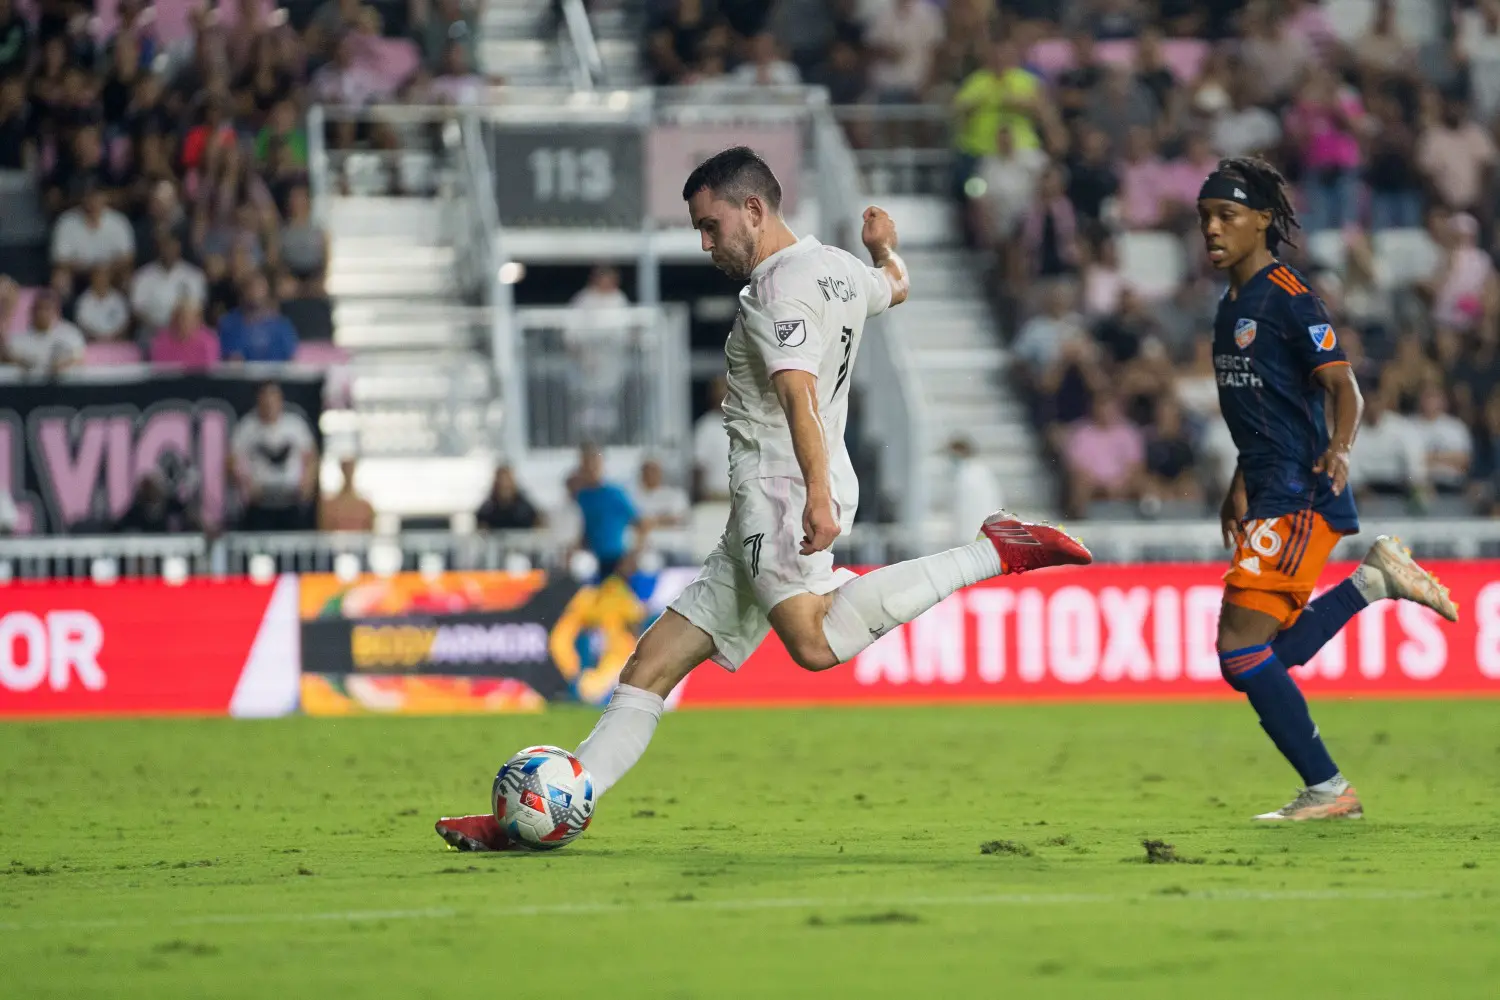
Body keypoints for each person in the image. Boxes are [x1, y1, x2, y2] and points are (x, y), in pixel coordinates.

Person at [435, 146, 1091, 850]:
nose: (706, 243)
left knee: (813, 641)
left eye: (710, 226)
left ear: (753, 209)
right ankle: (546, 814)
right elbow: (896, 285)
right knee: (650, 667)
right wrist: (883, 248)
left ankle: (990, 552)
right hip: (780, 493)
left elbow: (797, 395)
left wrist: (815, 497)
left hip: (781, 491)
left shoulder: (777, 291)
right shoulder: (840, 268)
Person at [1195, 156, 1457, 822]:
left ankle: (1330, 789)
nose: (1213, 229)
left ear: (1262, 221)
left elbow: (1345, 387)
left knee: (1240, 651)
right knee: (1255, 655)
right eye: (1206, 218)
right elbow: (1262, 409)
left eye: (1227, 215)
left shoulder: (1290, 296)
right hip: (1268, 487)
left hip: (1301, 489)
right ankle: (1373, 581)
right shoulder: (1229, 306)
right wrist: (1237, 482)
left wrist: (1340, 448)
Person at [230, 382, 319, 531]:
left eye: (273, 399)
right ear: (258, 401)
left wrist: (308, 484)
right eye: (265, 400)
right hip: (260, 501)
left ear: (280, 400)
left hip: (291, 499)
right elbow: (233, 460)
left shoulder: (295, 425)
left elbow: (311, 457)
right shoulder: (247, 427)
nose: (269, 405)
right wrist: (245, 484)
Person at [572, 443, 640, 580]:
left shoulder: (615, 493)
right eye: (586, 465)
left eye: (594, 464)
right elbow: (585, 529)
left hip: (618, 559)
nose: (590, 469)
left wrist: (632, 556)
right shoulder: (582, 496)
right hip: (591, 562)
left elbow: (641, 524)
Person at [474, 465, 542, 530]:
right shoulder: (487, 510)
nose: (504, 484)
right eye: (501, 480)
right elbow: (481, 528)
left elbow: (538, 524)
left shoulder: (525, 508)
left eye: (507, 480)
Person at [318, 457, 375, 532]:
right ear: (341, 468)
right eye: (346, 466)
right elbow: (325, 533)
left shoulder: (366, 507)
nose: (348, 470)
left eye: (350, 466)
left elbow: (369, 533)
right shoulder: (330, 506)